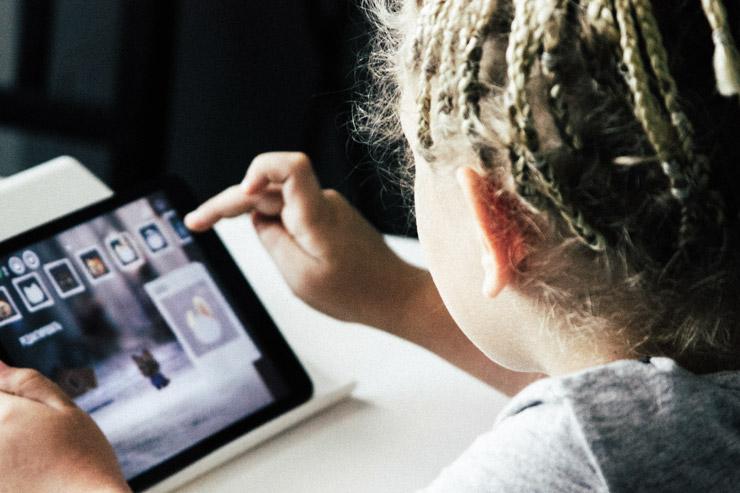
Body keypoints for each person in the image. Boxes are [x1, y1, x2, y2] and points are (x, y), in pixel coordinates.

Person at [1, 0, 739, 491]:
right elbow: (637, 404)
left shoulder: (553, 469)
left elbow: (599, 442)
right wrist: (395, 294)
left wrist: (73, 481)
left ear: (497, 225)